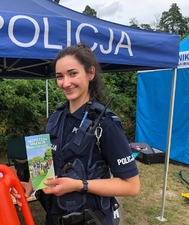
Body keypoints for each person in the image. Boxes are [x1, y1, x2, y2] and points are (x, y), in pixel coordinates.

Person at [19, 43, 140, 225]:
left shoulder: (106, 123)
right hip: (53, 217)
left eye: (72, 73)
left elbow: (132, 186)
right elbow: (43, 167)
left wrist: (78, 185)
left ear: (90, 73)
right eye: (60, 76)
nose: (65, 83)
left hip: (92, 219)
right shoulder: (54, 118)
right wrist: (30, 185)